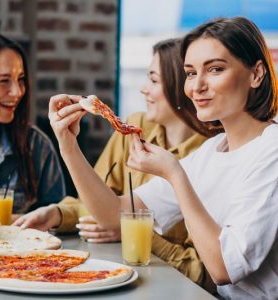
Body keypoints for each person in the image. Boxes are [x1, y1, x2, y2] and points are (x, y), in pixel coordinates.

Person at [47, 16, 278, 299]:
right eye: (191, 73)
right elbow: (113, 216)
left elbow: (223, 268)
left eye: (215, 69)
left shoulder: (272, 151)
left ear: (256, 74)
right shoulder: (214, 149)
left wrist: (174, 174)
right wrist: (68, 146)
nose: (197, 86)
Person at [14, 38, 216, 291]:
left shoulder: (208, 158)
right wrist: (56, 214)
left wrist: (134, 232)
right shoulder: (134, 128)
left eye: (154, 80)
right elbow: (101, 204)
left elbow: (204, 272)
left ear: (179, 87)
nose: (143, 89)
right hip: (112, 267)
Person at [0, 29, 66, 218]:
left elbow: (60, 219)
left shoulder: (37, 146)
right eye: (4, 81)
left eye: (21, 80)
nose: (17, 92)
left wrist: (19, 221)